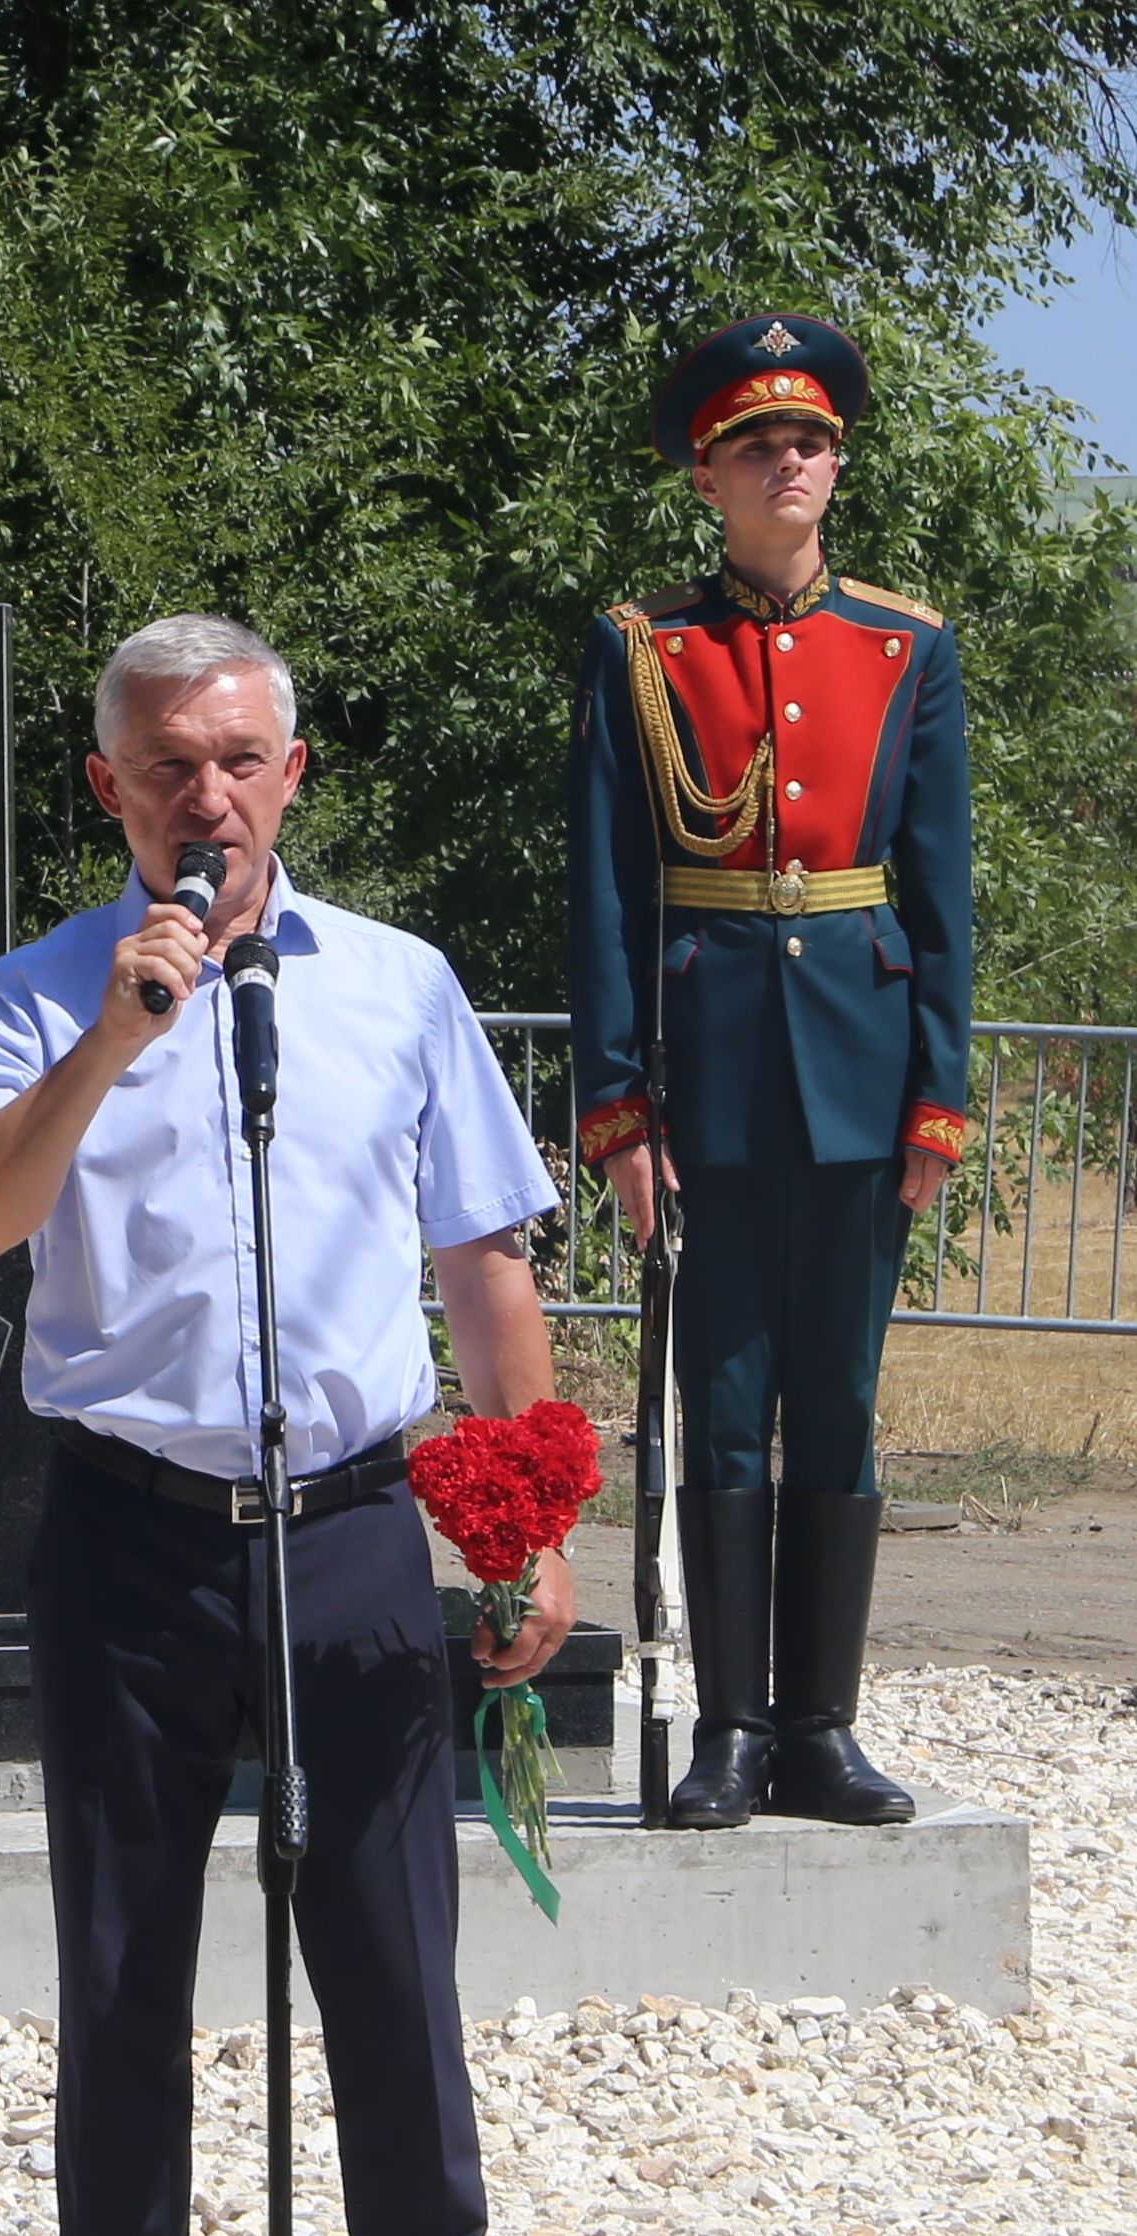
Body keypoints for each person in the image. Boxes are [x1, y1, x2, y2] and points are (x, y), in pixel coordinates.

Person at [0, 616, 577, 2236]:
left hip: (354, 1537)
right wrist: (122, 1031)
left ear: (292, 772)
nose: (205, 794)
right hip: (129, 1540)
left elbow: (481, 1267)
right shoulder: (43, 995)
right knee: (122, 1988)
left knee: (393, 1994)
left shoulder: (397, 988)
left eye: (236, 758)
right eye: (164, 763)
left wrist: (523, 1517)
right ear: (106, 789)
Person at [568, 315, 969, 1833]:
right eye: (756, 445)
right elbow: (604, 890)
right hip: (710, 1072)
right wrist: (616, 1111)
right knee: (724, 1402)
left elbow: (938, 889)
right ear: (705, 474)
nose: (787, 462)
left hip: (861, 1071)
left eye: (806, 442)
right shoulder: (642, 649)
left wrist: (936, 1093)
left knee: (843, 1405)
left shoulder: (900, 646)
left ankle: (821, 1727)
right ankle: (728, 1728)